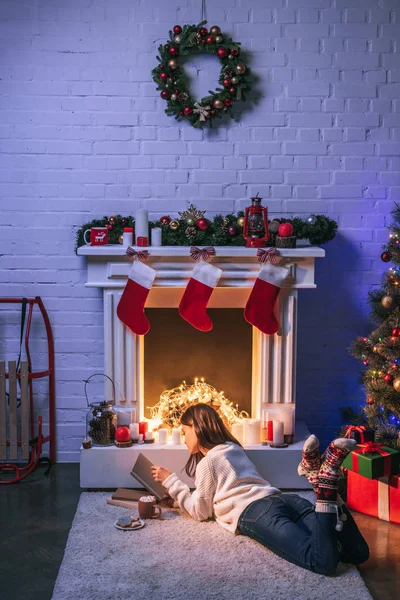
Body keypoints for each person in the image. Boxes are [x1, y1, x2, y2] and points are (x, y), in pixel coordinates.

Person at [151, 403, 369, 576]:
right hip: (284, 499)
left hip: (256, 513)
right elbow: (209, 496)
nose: (183, 437)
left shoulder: (207, 463)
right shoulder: (232, 447)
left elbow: (200, 512)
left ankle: (324, 488)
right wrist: (179, 501)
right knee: (357, 553)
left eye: (184, 431)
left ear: (197, 429)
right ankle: (325, 486)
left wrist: (172, 481)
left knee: (322, 562)